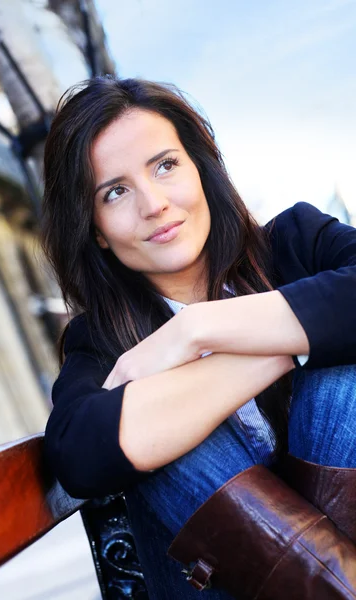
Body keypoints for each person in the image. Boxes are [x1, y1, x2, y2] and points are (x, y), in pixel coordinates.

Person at [41, 75, 356, 599]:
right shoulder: (101, 340)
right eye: (115, 192)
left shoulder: (296, 243)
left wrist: (197, 328)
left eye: (165, 166)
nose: (154, 204)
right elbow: (79, 453)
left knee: (338, 378)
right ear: (95, 227)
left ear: (201, 169)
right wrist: (289, 347)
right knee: (155, 426)